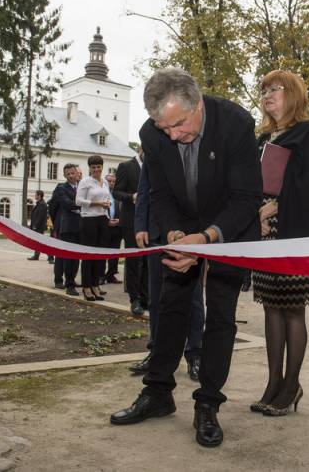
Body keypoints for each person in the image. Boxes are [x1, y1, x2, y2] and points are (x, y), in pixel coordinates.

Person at [109, 67, 262, 449]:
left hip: (228, 229)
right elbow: (160, 194)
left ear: (198, 105)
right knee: (170, 306)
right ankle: (158, 392)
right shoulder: (152, 134)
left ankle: (208, 403)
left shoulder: (236, 124)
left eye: (178, 125)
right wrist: (175, 234)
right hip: (183, 227)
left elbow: (246, 199)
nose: (173, 136)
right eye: (165, 129)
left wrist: (206, 239)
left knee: (220, 316)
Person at [250, 70, 309, 416]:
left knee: (292, 308)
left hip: (294, 232)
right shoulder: (262, 138)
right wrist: (256, 211)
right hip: (264, 234)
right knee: (270, 306)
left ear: (293, 94)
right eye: (264, 90)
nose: (267, 95)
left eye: (275, 89)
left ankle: (291, 386)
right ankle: (273, 383)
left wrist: (278, 204)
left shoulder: (306, 132)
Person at [132, 160, 205, 381]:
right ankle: (156, 352)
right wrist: (140, 225)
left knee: (193, 300)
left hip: (190, 236)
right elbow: (144, 189)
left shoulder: (195, 146)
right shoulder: (155, 148)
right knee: (156, 299)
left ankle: (195, 354)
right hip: (156, 235)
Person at [114, 146, 148, 315]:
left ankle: (146, 297)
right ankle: (134, 299)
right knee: (134, 260)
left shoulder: (155, 165)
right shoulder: (126, 166)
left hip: (150, 221)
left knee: (148, 260)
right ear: (140, 149)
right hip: (131, 221)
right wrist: (132, 196)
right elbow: (116, 192)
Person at [76, 155, 111, 301]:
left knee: (100, 255)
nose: (96, 169)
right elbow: (78, 201)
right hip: (89, 220)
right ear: (89, 168)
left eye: (98, 167)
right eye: (93, 167)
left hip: (103, 219)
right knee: (88, 255)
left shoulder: (105, 182)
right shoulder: (85, 182)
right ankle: (86, 286)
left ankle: (95, 285)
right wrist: (97, 204)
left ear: (102, 167)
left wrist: (107, 208)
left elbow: (107, 199)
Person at [51, 164, 82, 297]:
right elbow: (63, 205)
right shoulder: (61, 188)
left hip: (81, 226)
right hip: (66, 226)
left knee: (76, 256)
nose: (70, 176)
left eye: (72, 173)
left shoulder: (81, 187)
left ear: (77, 173)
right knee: (66, 256)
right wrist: (87, 204)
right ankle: (66, 283)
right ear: (64, 175)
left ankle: (71, 280)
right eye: (68, 174)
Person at [102, 173, 124, 284]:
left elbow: (124, 210)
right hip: (104, 227)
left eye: (113, 181)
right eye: (109, 181)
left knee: (114, 254)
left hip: (117, 227)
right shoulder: (102, 194)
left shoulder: (118, 195)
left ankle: (111, 275)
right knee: (102, 253)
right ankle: (100, 276)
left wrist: (120, 220)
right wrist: (107, 221)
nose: (111, 183)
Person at [28, 190, 48, 260]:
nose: (35, 196)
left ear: (39, 196)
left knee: (39, 242)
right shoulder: (39, 203)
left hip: (39, 227)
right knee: (39, 242)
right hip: (38, 226)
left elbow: (40, 216)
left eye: (36, 195)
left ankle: (49, 256)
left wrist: (35, 225)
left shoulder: (42, 204)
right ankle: (37, 255)